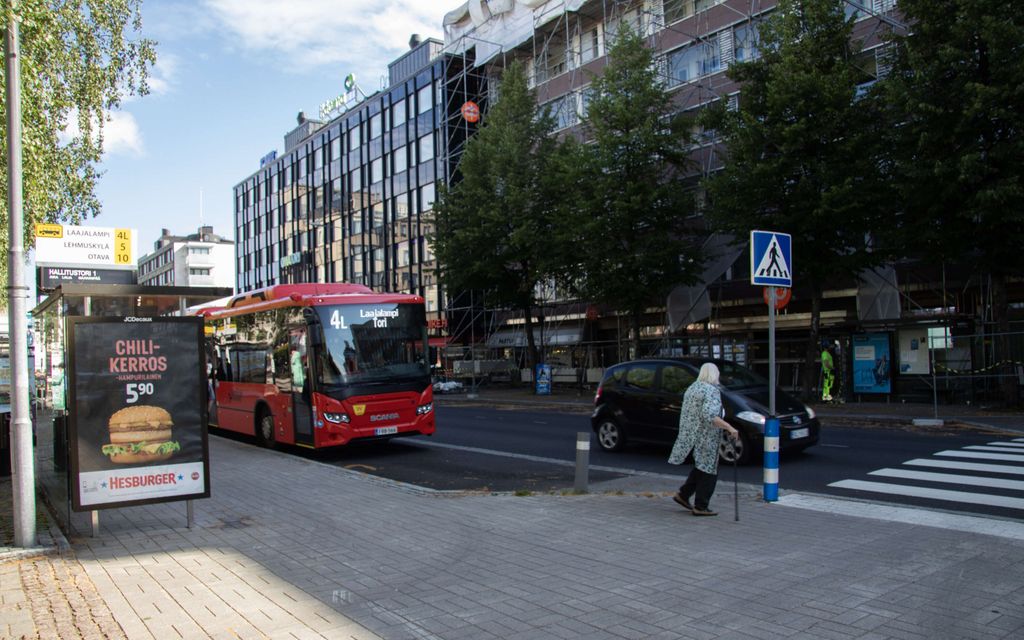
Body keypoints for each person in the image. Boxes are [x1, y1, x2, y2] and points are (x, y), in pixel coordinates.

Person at [667, 362, 740, 516]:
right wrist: (729, 427)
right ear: (714, 374)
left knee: (701, 466)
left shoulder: (692, 388)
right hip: (708, 437)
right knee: (709, 470)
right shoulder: (711, 391)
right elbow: (710, 416)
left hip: (692, 434)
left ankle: (683, 495)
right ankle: (701, 506)